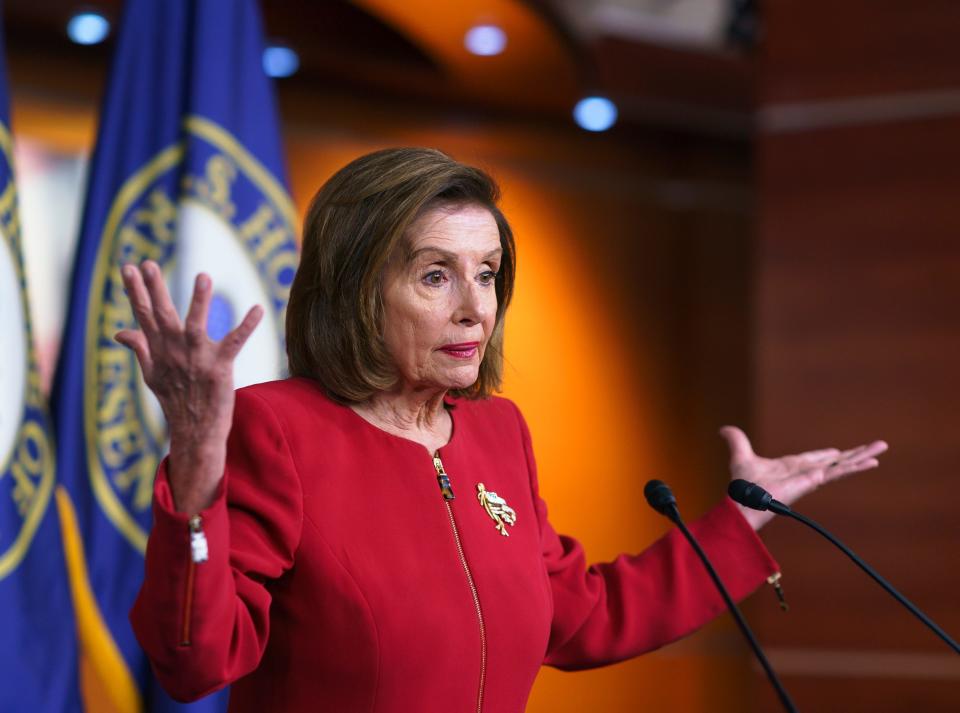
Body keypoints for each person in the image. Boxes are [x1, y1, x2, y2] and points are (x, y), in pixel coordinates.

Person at [122, 148, 887, 712]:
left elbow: (578, 616)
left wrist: (739, 520)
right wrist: (194, 459)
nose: (475, 308)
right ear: (355, 290)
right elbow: (194, 660)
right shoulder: (278, 430)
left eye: (486, 273)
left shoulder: (496, 432)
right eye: (435, 275)